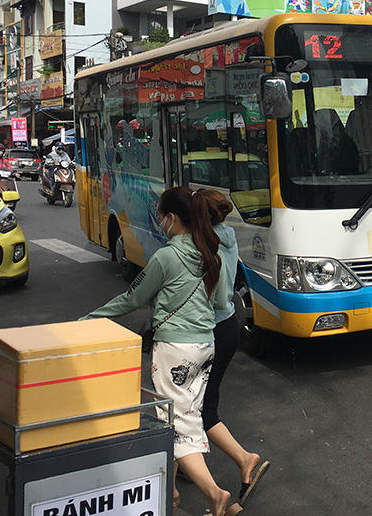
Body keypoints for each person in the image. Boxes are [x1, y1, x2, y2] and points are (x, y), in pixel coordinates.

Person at [81, 187, 241, 516]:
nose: (159, 223)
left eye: (159, 217)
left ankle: (215, 494)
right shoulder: (212, 252)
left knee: (174, 422)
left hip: (175, 349)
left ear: (171, 219)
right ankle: (169, 492)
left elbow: (131, 299)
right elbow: (222, 302)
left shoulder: (166, 257)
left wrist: (89, 319)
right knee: (189, 417)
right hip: (205, 344)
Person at [197, 189, 270, 505]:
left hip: (213, 327)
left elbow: (211, 292)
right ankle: (182, 472)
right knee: (194, 403)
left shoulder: (205, 244)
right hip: (228, 326)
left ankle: (244, 459)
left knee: (198, 408)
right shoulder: (226, 235)